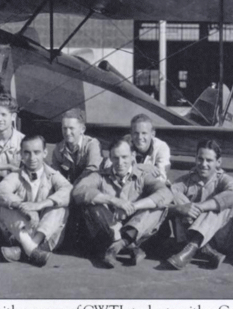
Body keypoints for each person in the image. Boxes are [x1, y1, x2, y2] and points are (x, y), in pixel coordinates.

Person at [73, 138, 173, 268]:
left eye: (125, 157)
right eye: (116, 158)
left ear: (133, 156)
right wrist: (115, 201)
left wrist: (132, 206)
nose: (120, 163)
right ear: (110, 158)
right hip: (109, 228)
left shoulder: (143, 175)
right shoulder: (100, 176)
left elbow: (166, 193)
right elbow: (78, 191)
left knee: (159, 206)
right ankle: (126, 244)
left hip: (138, 229)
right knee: (92, 202)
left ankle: (120, 244)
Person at [0, 135, 72, 267]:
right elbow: (1, 189)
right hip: (20, 231)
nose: (32, 158)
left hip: (46, 236)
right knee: (3, 207)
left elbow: (68, 190)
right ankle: (32, 251)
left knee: (60, 207)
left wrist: (39, 205)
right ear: (21, 155)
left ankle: (28, 248)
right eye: (27, 153)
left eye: (36, 152)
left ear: (45, 153)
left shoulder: (53, 175)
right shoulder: (16, 176)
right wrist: (22, 207)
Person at [163, 140, 233, 271]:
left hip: (220, 241)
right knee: (174, 194)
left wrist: (200, 207)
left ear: (218, 162)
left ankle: (194, 245)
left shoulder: (225, 180)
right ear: (195, 159)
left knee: (222, 205)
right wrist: (180, 208)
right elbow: (165, 198)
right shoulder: (185, 180)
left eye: (209, 160)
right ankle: (203, 249)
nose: (203, 164)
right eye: (200, 159)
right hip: (186, 239)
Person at [52, 108, 102, 251]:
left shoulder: (92, 145)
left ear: (82, 129)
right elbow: (55, 174)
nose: (67, 133)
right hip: (69, 190)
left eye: (72, 128)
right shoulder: (58, 149)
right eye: (64, 128)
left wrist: (74, 188)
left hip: (89, 187)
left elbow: (93, 169)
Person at [102, 114, 171, 182]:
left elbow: (161, 177)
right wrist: (140, 167)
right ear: (131, 133)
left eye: (144, 133)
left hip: (147, 188)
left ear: (152, 134)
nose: (139, 137)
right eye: (136, 133)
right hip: (126, 186)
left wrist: (131, 171)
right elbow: (108, 166)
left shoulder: (161, 147)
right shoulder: (124, 143)